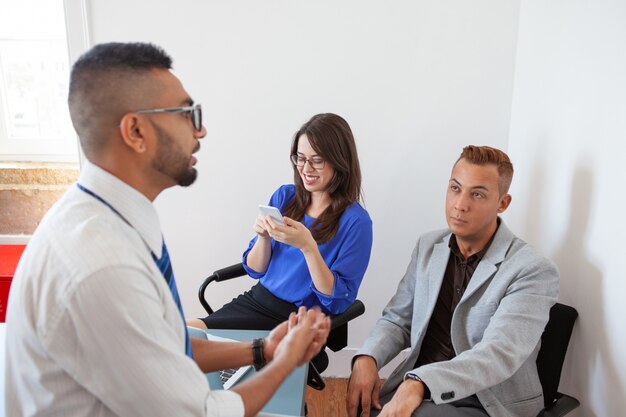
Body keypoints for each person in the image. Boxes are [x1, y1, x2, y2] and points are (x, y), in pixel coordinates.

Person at [4, 42, 330, 417]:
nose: (202, 130)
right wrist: (286, 361)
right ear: (136, 131)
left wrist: (261, 350)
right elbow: (202, 413)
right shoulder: (103, 267)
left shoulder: (112, 218)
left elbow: (167, 345)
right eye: (187, 114)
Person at [346, 146, 559, 417]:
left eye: (477, 194)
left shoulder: (532, 269)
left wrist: (421, 382)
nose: (460, 204)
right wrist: (367, 358)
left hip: (486, 401)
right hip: (418, 392)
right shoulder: (428, 246)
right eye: (455, 189)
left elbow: (497, 355)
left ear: (502, 203)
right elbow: (398, 320)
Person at [188, 113, 372, 361]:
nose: (306, 169)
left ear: (339, 161)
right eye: (301, 158)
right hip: (257, 302)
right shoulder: (285, 197)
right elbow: (254, 269)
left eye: (317, 160)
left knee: (218, 356)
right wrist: (263, 238)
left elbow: (338, 301)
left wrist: (308, 247)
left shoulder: (356, 222)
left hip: (299, 318)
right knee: (186, 333)